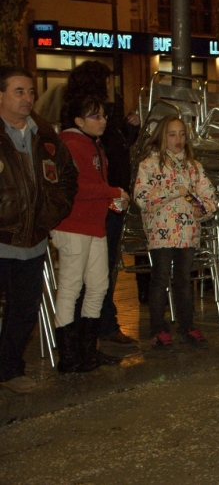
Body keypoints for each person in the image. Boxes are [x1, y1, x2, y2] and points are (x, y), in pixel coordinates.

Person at [0, 66, 78, 393]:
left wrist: (46, 217)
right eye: (19, 91)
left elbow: (67, 179)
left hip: (33, 242)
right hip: (2, 240)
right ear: (1, 95)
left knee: (24, 310)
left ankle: (9, 369)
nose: (28, 98)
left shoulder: (44, 135)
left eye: (30, 91)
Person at [62, 60, 140, 346]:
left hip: (110, 200)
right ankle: (93, 332)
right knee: (92, 274)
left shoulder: (100, 121)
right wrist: (112, 191)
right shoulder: (84, 124)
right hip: (100, 204)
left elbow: (113, 152)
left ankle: (97, 330)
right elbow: (89, 170)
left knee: (100, 273)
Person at [51, 95, 126, 372]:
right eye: (96, 116)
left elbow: (94, 185)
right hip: (73, 226)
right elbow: (76, 188)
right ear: (79, 120)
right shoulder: (72, 144)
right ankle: (69, 356)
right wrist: (112, 192)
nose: (103, 120)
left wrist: (110, 198)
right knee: (71, 287)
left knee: (98, 286)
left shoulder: (93, 144)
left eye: (104, 115)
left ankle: (87, 350)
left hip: (94, 224)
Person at [134, 116, 217, 350]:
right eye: (172, 134)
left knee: (183, 280)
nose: (178, 139)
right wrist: (173, 191)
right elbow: (142, 198)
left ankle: (186, 326)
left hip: (188, 232)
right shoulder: (149, 165)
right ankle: (158, 329)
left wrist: (203, 210)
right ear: (162, 137)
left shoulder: (193, 166)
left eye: (181, 134)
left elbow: (210, 197)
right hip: (161, 233)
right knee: (160, 280)